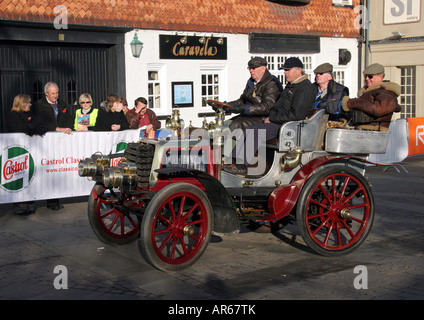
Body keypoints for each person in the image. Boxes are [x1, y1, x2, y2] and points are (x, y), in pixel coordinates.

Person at [224, 57, 315, 176]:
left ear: (299, 70)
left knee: (254, 131)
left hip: (289, 126)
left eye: (288, 70)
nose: (285, 73)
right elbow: (278, 106)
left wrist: (272, 118)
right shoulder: (292, 85)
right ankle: (233, 161)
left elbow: (296, 114)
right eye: (284, 70)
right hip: (279, 122)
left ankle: (240, 166)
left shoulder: (304, 88)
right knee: (250, 129)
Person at [5, 94, 47, 215]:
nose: (30, 105)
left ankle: (30, 202)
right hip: (17, 151)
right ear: (21, 104)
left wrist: (33, 127)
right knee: (18, 176)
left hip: (31, 150)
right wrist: (32, 128)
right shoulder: (12, 115)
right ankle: (19, 204)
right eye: (28, 103)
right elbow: (19, 128)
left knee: (30, 175)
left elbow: (40, 125)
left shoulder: (31, 115)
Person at [33, 81, 73, 210]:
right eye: (53, 93)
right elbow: (39, 123)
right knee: (45, 170)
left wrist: (68, 128)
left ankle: (54, 201)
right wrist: (57, 129)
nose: (55, 95)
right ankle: (35, 200)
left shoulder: (62, 104)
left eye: (57, 93)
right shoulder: (39, 106)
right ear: (46, 93)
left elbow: (69, 118)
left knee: (57, 169)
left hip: (60, 142)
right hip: (45, 142)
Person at [223, 56, 283, 131]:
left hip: (264, 118)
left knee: (235, 125)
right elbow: (242, 100)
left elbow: (267, 107)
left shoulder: (271, 83)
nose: (251, 71)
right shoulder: (251, 82)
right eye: (249, 68)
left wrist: (245, 108)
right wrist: (226, 105)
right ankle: (222, 142)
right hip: (248, 115)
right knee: (224, 125)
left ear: (263, 68)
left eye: (253, 68)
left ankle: (231, 143)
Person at [342, 63, 401, 130]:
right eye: (365, 76)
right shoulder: (369, 91)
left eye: (370, 76)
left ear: (380, 76)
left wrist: (352, 103)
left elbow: (379, 109)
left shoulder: (386, 92)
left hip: (375, 131)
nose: (367, 79)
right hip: (364, 130)